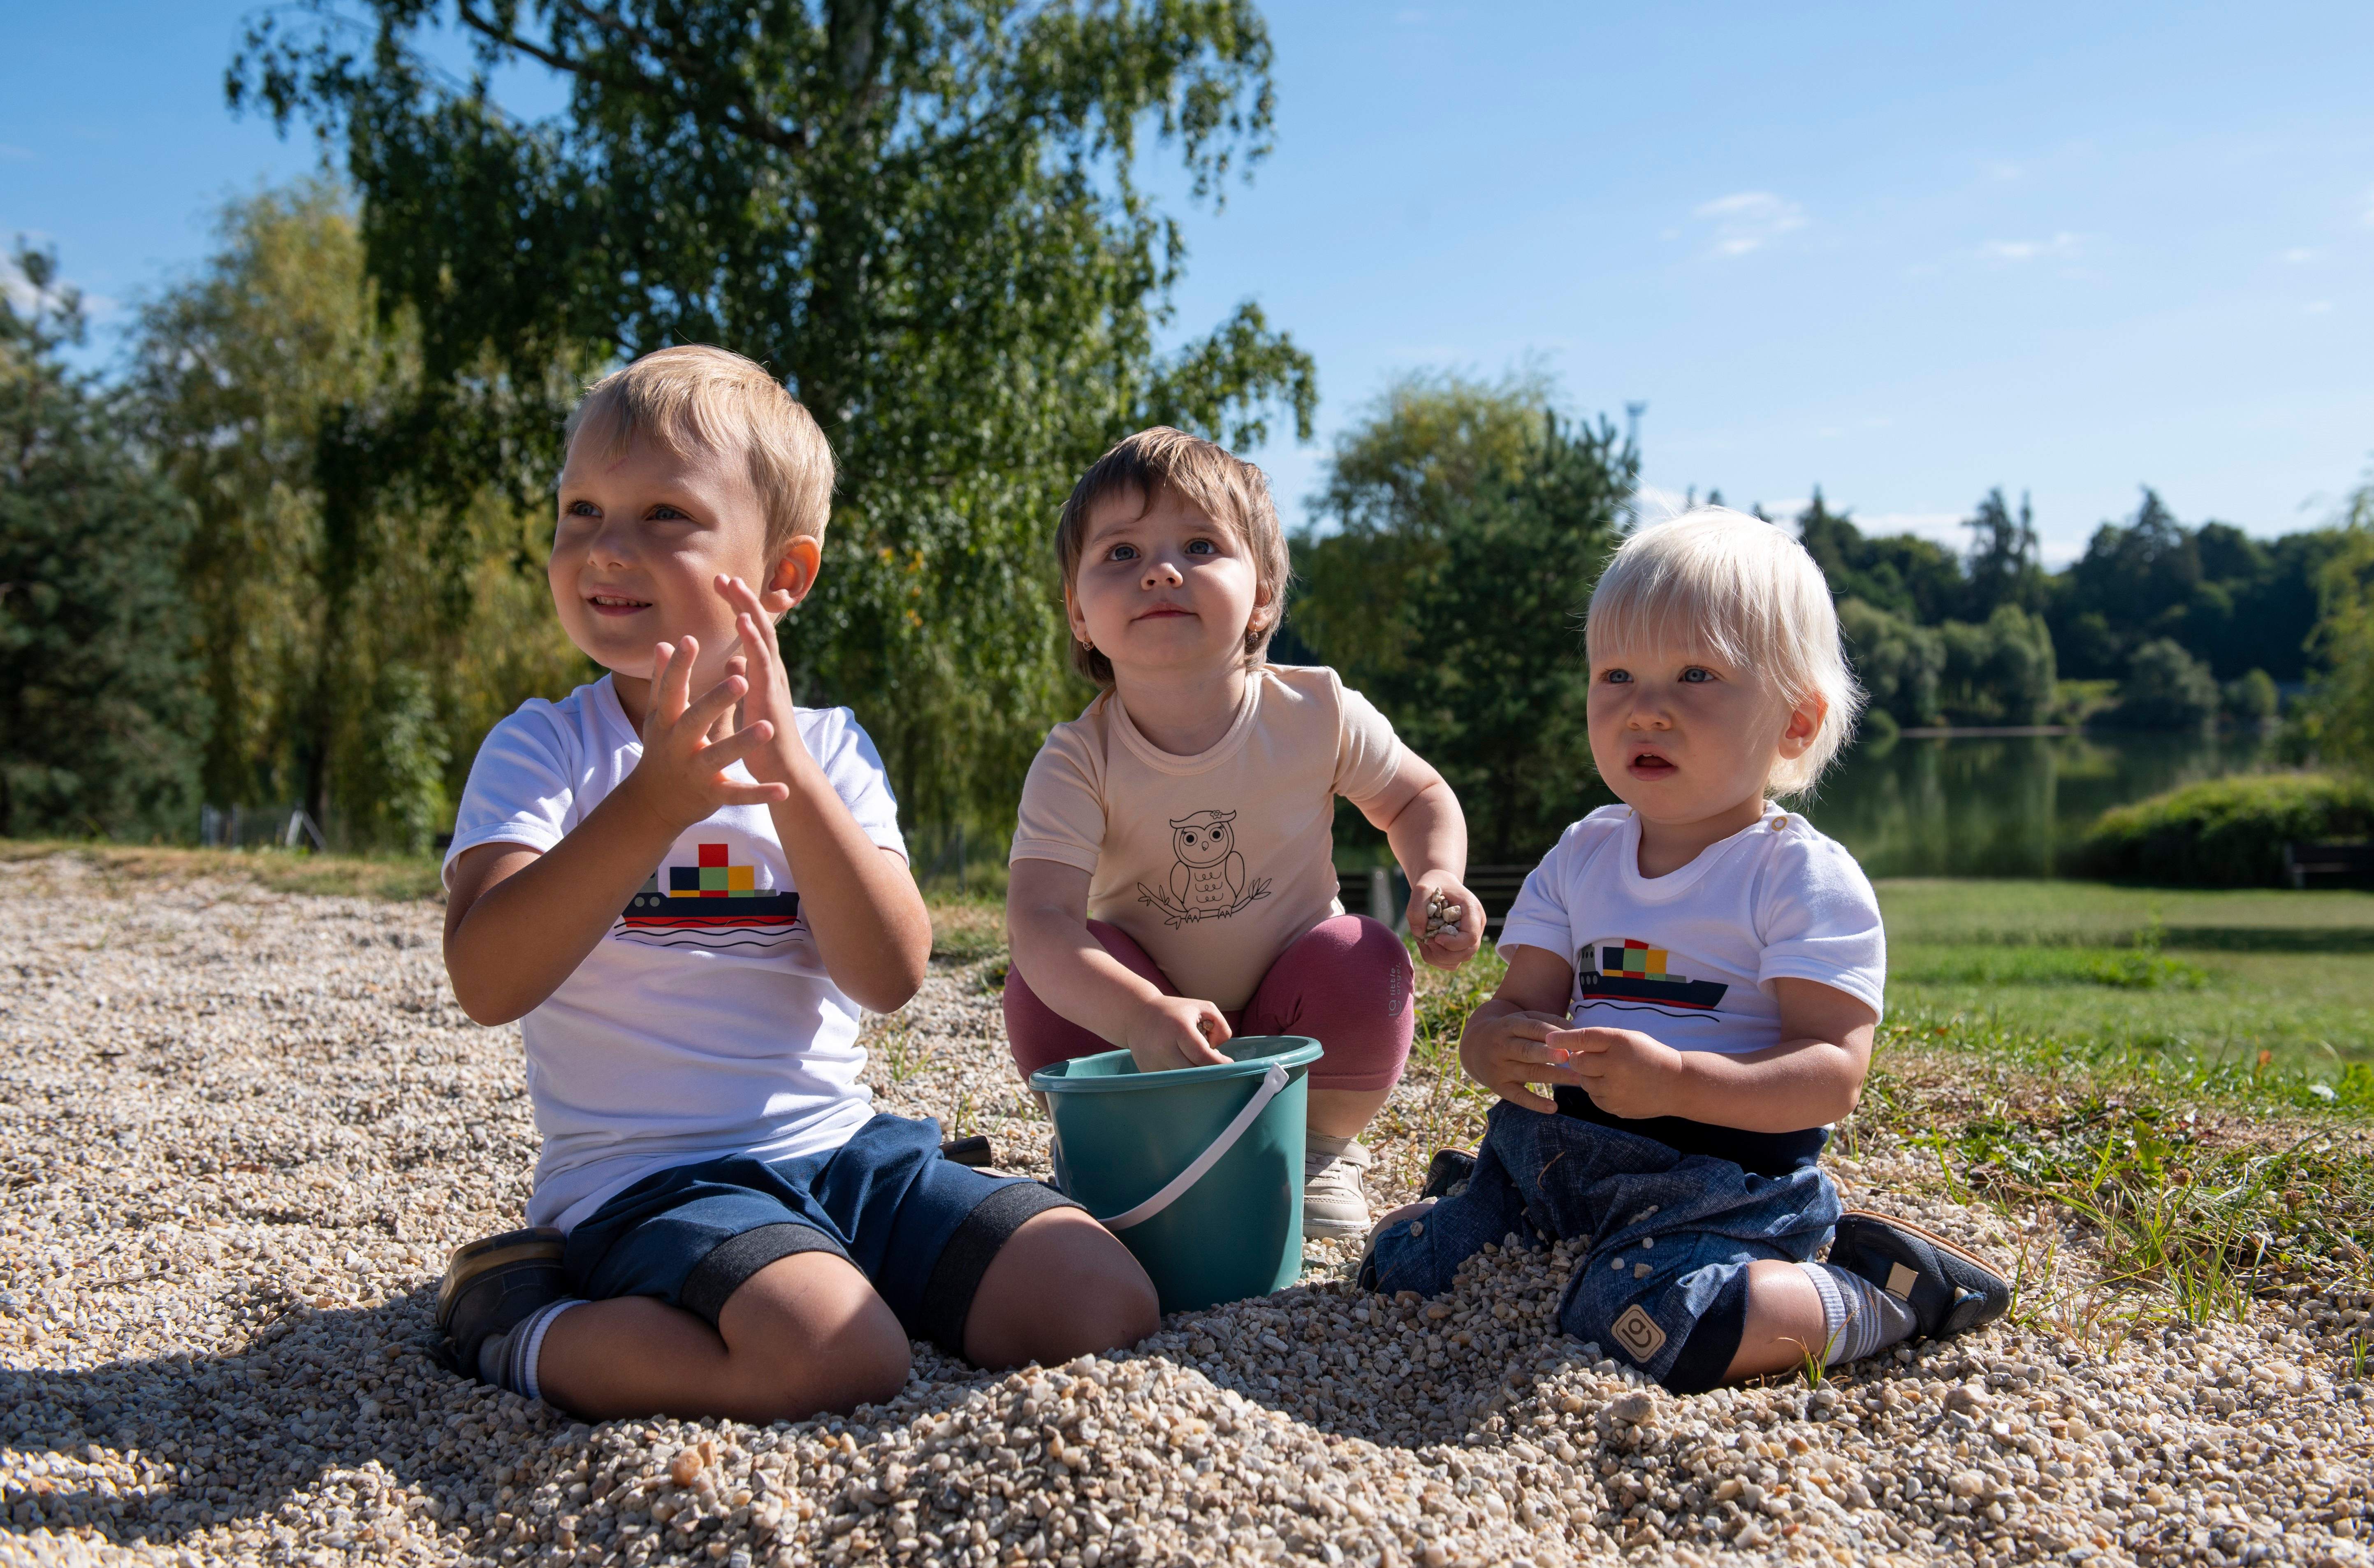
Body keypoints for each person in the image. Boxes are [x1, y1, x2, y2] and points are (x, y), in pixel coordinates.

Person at [432, 346, 1157, 1422]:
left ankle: (831, 1272)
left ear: (782, 577)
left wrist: (790, 782)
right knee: (836, 1357)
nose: (606, 548)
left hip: (845, 1155)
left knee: (1102, 1296)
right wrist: (653, 805)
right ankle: (515, 1321)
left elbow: (889, 973)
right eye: (579, 509)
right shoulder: (546, 750)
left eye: (664, 515)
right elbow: (488, 979)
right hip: (650, 1181)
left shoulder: (831, 748)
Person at [1361, 508, 2009, 1392]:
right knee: (1400, 1267)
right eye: (1616, 675)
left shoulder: (1796, 877)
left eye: (1695, 675)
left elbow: (1832, 1071)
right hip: (1555, 1159)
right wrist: (1491, 1041)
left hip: (1720, 1182)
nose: (1646, 709)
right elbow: (1523, 1004)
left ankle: (1879, 1291)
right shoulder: (1583, 853)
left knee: (1644, 1325)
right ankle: (1484, 1192)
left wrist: (1678, 1082)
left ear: (1794, 722)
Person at [1002, 428, 1485, 1238]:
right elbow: (1040, 918)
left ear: (1262, 594)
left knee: (1364, 956)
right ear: (1079, 615)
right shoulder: (1079, 760)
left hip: (1294, 1001)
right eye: (1121, 554)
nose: (1160, 570)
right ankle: (1118, 1141)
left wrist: (1437, 875)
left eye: (1200, 545)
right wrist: (1139, 1012)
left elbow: (1416, 795)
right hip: (1140, 1011)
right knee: (1044, 978)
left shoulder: (1317, 711)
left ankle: (1319, 1148)